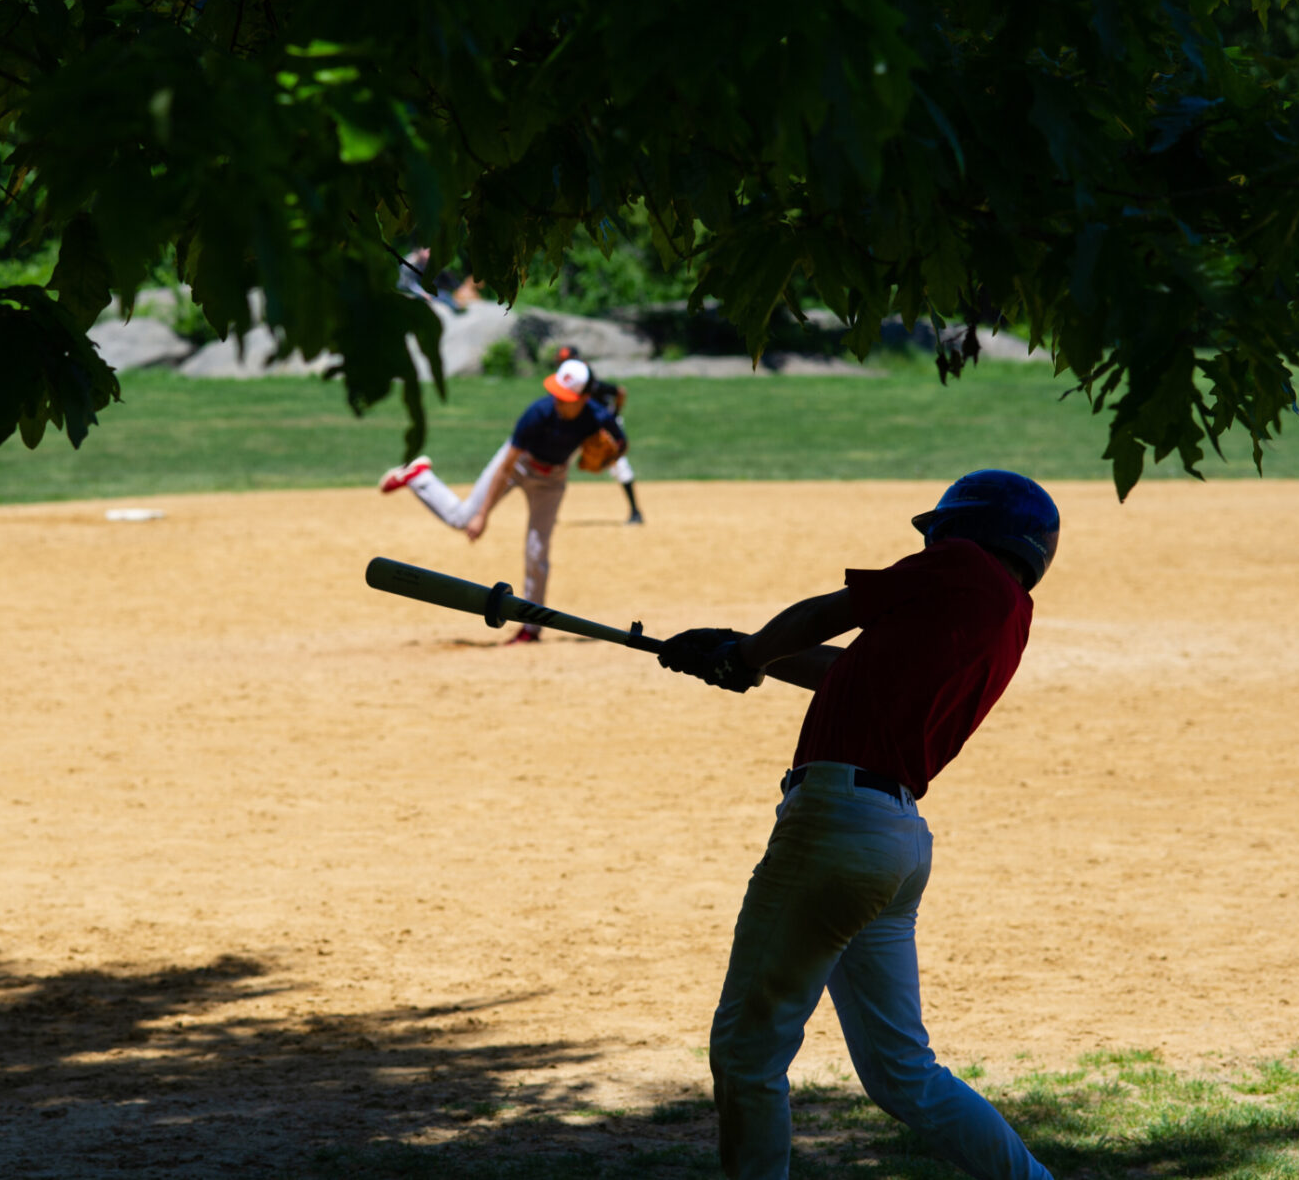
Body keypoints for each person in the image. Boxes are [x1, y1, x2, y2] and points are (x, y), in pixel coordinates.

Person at [657, 470, 1061, 1180]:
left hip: (833, 831)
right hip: (893, 842)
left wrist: (748, 657)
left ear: (965, 531)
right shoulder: (1004, 610)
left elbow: (824, 615)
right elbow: (849, 668)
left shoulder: (958, 566)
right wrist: (739, 648)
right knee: (905, 1074)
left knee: (747, 1054)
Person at [378, 358, 626, 644]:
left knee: (537, 550)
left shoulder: (597, 416)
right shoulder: (538, 413)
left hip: (551, 481)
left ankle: (530, 628)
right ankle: (419, 477)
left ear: (584, 397)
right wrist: (483, 515)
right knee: (462, 518)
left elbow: (621, 443)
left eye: (567, 397)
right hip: (517, 465)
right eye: (557, 392)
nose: (559, 400)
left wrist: (612, 455)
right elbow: (506, 466)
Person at [554, 345, 643, 524]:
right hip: (579, 428)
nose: (564, 364)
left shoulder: (589, 381)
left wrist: (615, 414)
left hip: (605, 427)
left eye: (567, 360)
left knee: (619, 466)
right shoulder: (565, 381)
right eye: (562, 362)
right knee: (560, 465)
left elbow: (620, 392)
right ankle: (550, 511)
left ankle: (635, 512)